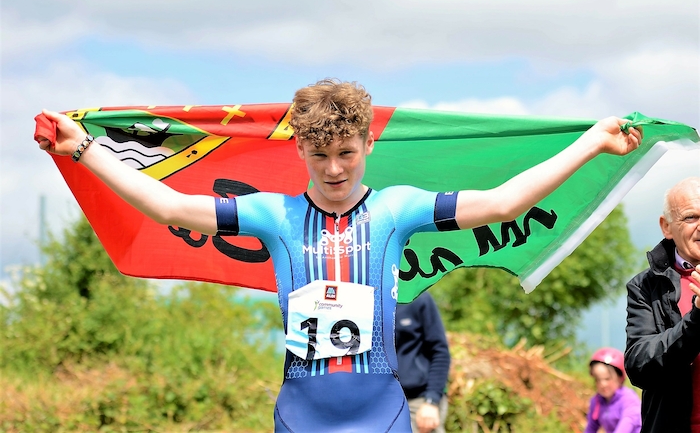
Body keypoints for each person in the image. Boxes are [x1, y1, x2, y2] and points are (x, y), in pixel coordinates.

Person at [37, 79, 642, 432]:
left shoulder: (398, 209)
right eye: (320, 154)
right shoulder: (271, 214)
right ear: (299, 148)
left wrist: (592, 142)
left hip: (384, 415)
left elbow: (505, 203)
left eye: (347, 153)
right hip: (299, 415)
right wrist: (83, 147)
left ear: (368, 143)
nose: (333, 169)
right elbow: (167, 205)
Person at [625, 177, 700, 433]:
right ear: (666, 227)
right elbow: (639, 367)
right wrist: (697, 318)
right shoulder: (645, 286)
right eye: (691, 217)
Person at [396, 291, 450, 433]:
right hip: (383, 402)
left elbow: (440, 351)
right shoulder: (370, 300)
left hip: (418, 400)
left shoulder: (419, 298)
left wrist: (431, 401)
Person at [585, 347, 641, 433]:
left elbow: (627, 423)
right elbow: (591, 428)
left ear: (620, 378)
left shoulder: (629, 399)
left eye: (607, 379)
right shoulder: (596, 401)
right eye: (598, 379)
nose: (603, 384)